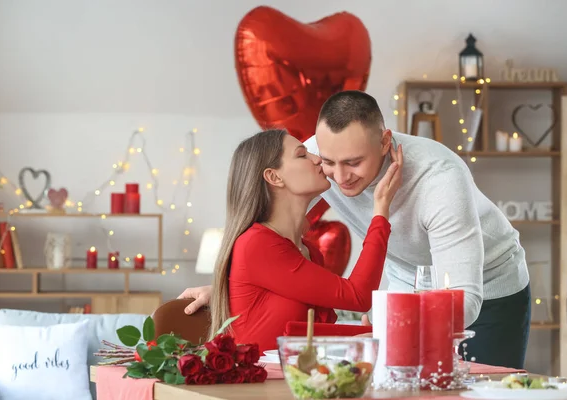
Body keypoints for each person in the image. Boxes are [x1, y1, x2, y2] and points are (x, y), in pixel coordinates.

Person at [180, 91, 531, 369]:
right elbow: (271, 212)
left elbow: (464, 300)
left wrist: (387, 315)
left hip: (489, 287)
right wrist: (227, 286)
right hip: (404, 281)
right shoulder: (318, 157)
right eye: (328, 162)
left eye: (354, 163)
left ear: (384, 142)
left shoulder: (439, 182)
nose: (340, 176)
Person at [205, 129, 403, 351]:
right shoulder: (256, 244)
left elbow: (302, 334)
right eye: (302, 155)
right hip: (256, 383)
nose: (318, 160)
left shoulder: (308, 250)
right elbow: (358, 296)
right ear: (274, 177)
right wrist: (381, 209)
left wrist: (370, 334)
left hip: (291, 380)